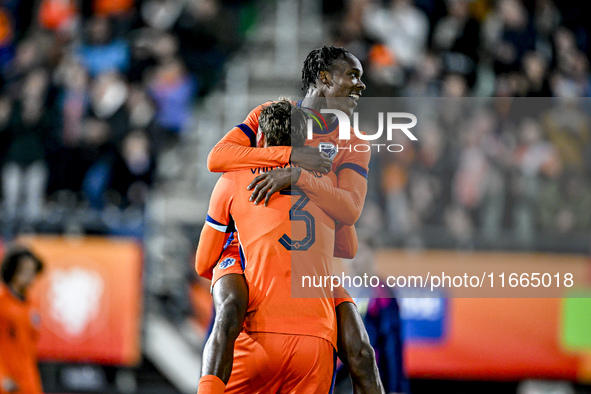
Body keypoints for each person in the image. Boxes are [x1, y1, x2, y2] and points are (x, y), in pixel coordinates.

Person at [199, 45, 383, 393]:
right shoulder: (272, 115)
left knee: (361, 352)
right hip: (257, 251)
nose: (361, 86)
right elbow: (216, 157)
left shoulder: (355, 142)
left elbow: (350, 213)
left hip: (310, 258)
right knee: (231, 309)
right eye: (353, 76)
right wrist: (292, 156)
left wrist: (297, 177)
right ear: (324, 79)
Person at [0, 245, 44, 394]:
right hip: (7, 378)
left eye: (32, 271)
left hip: (28, 377)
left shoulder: (33, 306)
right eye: (24, 270)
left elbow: (31, 344)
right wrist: (2, 376)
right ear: (12, 271)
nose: (29, 276)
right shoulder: (2, 303)